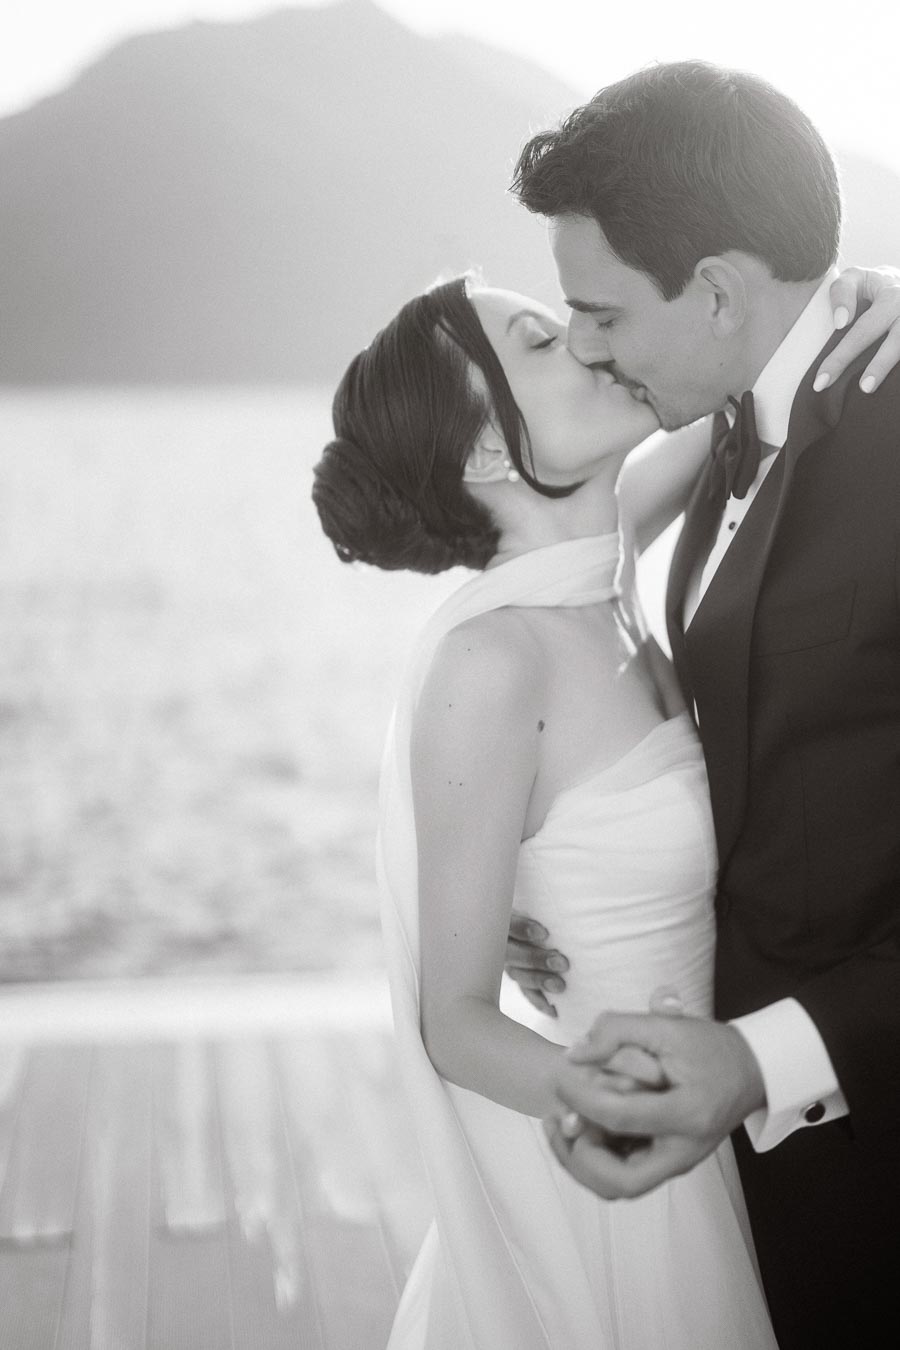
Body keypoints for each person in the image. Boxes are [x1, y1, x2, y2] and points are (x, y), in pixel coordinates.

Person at [312, 260, 899, 1347]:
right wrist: (621, 1096)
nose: (589, 343)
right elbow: (455, 1019)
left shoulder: (606, 561)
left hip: (743, 1126)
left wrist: (880, 287)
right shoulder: (493, 661)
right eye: (540, 342)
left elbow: (755, 372)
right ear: (488, 449)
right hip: (632, 1164)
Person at [507, 60, 900, 1350]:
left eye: (603, 312)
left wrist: (763, 1059)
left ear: (722, 290)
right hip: (759, 1166)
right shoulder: (734, 416)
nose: (584, 345)